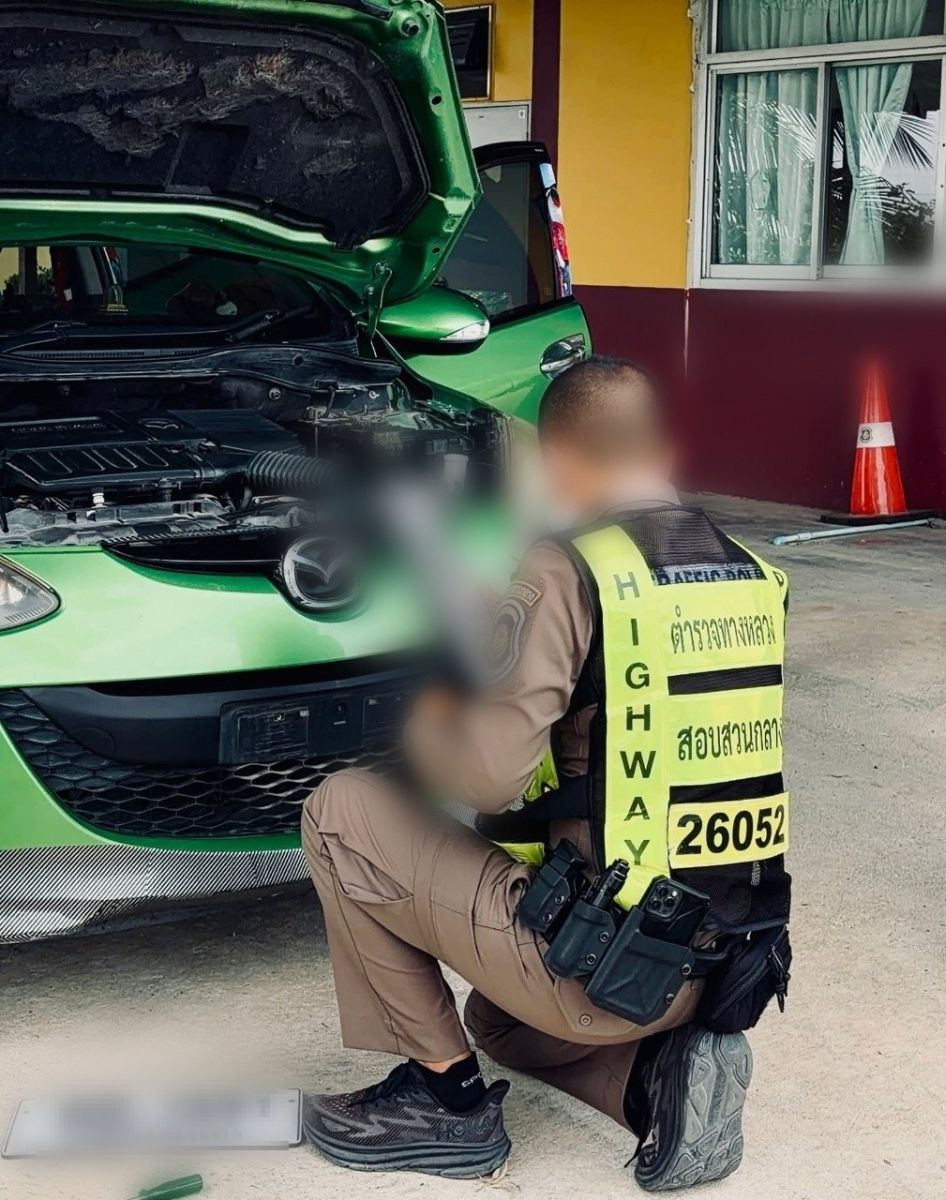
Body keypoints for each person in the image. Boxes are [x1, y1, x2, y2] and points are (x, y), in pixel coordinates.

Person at [300, 356, 792, 1186]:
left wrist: (428, 727)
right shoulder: (750, 570)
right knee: (499, 1024)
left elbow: (490, 780)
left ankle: (443, 1101)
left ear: (560, 461)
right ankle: (654, 1082)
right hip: (718, 960)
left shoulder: (571, 566)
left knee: (341, 812)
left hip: (595, 964)